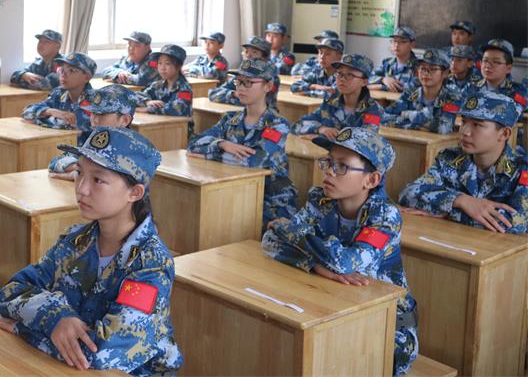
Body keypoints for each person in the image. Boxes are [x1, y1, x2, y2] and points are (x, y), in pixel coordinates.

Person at [0, 127, 183, 375]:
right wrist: (56, 316)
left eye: (98, 180)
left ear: (134, 193)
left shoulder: (150, 263)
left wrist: (24, 329)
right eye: (79, 173)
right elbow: (11, 291)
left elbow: (103, 353)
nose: (81, 188)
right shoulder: (75, 241)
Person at [262, 127, 419, 376]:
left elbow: (344, 263)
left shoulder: (385, 216)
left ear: (371, 180)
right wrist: (315, 266)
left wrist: (288, 229)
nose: (329, 171)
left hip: (388, 328)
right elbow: (270, 241)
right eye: (328, 162)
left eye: (342, 166)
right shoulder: (320, 201)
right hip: (334, 305)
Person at [188, 59, 298, 227]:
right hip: (234, 191)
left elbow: (253, 161)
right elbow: (193, 143)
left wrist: (207, 155)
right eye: (238, 81)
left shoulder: (277, 124)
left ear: (268, 86)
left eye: (248, 83)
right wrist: (222, 144)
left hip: (270, 202)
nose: (240, 87)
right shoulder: (230, 119)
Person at [398, 92, 527, 234]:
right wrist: (460, 200)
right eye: (464, 122)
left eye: (477, 125)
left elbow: (516, 223)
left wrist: (448, 212)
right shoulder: (450, 159)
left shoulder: (521, 169)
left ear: (504, 134)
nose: (465, 131)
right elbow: (408, 194)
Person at [48, 85, 137, 180]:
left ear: (125, 120)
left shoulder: (134, 151)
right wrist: (79, 168)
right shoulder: (96, 139)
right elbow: (54, 163)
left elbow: (111, 179)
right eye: (93, 113)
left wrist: (82, 171)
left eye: (102, 114)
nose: (95, 120)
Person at [293, 53, 384, 138]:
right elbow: (298, 125)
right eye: (339, 73)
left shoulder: (373, 109)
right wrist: (321, 129)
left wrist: (322, 138)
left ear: (364, 82)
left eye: (350, 75)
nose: (342, 79)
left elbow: (366, 139)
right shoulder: (331, 102)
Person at [22, 52, 97, 144]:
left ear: (87, 77)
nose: (63, 74)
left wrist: (39, 117)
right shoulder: (59, 93)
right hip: (58, 145)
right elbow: (27, 111)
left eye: (72, 70)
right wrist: (51, 111)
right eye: (62, 70)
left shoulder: (95, 101)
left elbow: (66, 125)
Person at [382, 48, 462, 134]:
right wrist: (417, 125)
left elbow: (442, 128)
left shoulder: (452, 97)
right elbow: (385, 117)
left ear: (445, 73)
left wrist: (408, 115)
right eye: (422, 68)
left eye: (433, 69)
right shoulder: (411, 92)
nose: (426, 73)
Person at [208, 36, 279, 106]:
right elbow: (213, 94)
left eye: (254, 52)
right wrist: (234, 94)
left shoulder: (268, 75)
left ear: (264, 58)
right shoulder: (243, 73)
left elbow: (254, 101)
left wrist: (234, 97)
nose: (248, 55)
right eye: (246, 51)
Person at [463, 39, 527, 114]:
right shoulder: (471, 87)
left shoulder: (518, 91)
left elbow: (514, 114)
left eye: (496, 62)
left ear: (508, 68)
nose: (488, 65)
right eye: (485, 60)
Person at [136, 44, 193, 117]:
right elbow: (135, 96)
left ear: (179, 66)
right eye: (160, 63)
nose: (162, 68)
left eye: (167, 63)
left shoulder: (185, 88)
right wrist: (147, 102)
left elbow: (178, 109)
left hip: (178, 124)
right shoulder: (157, 85)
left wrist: (149, 109)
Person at [368, 27, 419, 92]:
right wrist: (383, 79)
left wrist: (381, 86)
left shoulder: (419, 66)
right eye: (394, 41)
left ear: (412, 44)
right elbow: (369, 79)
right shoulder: (387, 63)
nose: (397, 45)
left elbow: (413, 88)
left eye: (403, 42)